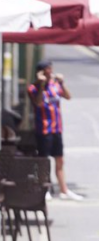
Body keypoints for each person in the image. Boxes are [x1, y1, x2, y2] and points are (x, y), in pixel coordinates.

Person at [28, 60, 81, 200]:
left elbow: (68, 96)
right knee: (44, 160)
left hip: (57, 128)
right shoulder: (33, 88)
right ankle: (45, 189)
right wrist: (41, 85)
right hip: (44, 129)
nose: (50, 72)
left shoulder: (55, 85)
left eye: (50, 70)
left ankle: (64, 190)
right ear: (40, 72)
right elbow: (38, 103)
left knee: (59, 160)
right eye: (46, 70)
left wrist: (62, 83)